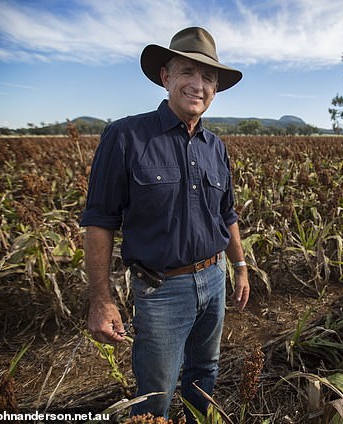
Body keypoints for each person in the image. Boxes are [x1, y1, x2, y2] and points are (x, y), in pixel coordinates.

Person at [80, 27, 250, 421]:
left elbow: (228, 215)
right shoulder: (125, 137)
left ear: (215, 90)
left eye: (208, 77)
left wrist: (239, 267)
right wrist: (101, 300)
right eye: (188, 71)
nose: (199, 84)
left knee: (204, 372)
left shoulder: (216, 147)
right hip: (161, 290)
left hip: (214, 278)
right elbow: (99, 222)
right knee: (155, 394)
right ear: (166, 77)